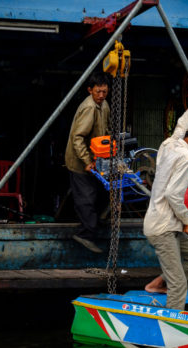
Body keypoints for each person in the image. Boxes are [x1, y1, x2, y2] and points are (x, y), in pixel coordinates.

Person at [144, 84, 188, 310]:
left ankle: (159, 282)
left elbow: (181, 123)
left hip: (167, 224)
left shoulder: (171, 142)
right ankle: (171, 325)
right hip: (163, 226)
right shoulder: (187, 156)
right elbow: (173, 195)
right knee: (179, 283)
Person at [65, 72, 111, 253]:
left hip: (96, 160)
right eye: (98, 92)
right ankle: (84, 234)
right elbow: (78, 138)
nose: (101, 96)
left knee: (103, 193)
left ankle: (96, 223)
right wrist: (86, 160)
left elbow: (105, 130)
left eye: (104, 92)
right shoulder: (89, 108)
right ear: (89, 90)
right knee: (86, 198)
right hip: (80, 162)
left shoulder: (104, 104)